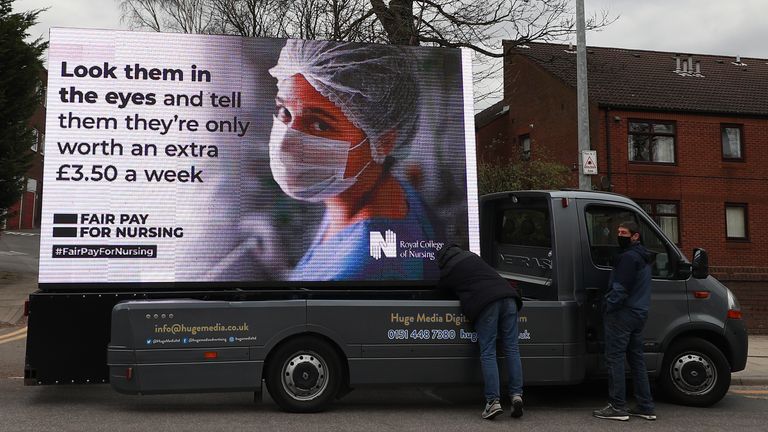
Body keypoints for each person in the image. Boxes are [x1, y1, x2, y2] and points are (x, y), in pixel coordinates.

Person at [268, 40, 438, 281]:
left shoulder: (363, 271)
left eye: (320, 125)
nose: (285, 145)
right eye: (285, 112)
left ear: (384, 140)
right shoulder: (369, 192)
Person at [436, 244, 524, 420]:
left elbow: (440, 293)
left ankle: (493, 402)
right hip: (509, 298)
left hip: (487, 303)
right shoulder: (473, 257)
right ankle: (516, 396)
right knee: (512, 348)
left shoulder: (448, 271)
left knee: (488, 351)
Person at [593, 221, 656, 421]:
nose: (619, 236)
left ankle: (617, 406)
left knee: (615, 358)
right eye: (618, 232)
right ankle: (645, 406)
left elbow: (620, 288)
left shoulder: (628, 258)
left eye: (624, 233)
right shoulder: (644, 256)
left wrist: (607, 306)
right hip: (639, 313)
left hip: (623, 314)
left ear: (635, 236)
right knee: (637, 360)